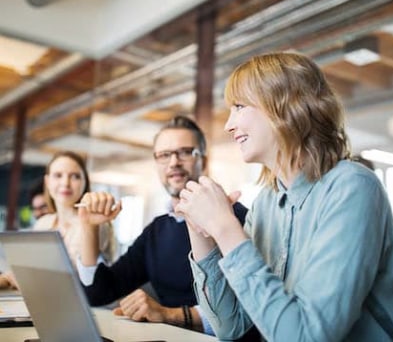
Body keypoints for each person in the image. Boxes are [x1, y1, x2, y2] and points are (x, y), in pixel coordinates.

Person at [176, 52, 393, 341]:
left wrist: (225, 228)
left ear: (285, 106)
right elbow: (230, 326)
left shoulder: (352, 187)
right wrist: (201, 230)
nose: (229, 125)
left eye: (239, 107)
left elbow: (307, 336)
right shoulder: (268, 202)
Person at [75, 116, 248, 334]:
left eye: (185, 152)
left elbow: (247, 309)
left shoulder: (237, 218)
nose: (173, 162)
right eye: (164, 155)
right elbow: (98, 293)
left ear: (203, 160)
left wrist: (169, 315)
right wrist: (89, 227)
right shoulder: (156, 231)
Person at [0, 150, 116, 289]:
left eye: (75, 176)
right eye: (58, 175)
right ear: (47, 182)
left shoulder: (95, 224)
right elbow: (32, 269)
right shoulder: (43, 223)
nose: (65, 183)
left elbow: (89, 281)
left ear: (85, 182)